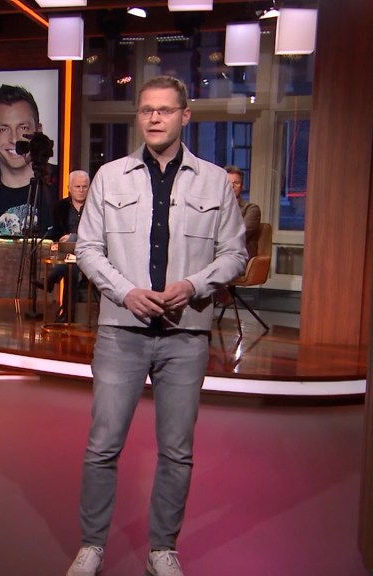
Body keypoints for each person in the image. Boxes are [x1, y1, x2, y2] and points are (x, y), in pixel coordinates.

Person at [68, 76, 247, 576]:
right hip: (121, 332)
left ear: (185, 116)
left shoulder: (214, 181)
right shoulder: (110, 177)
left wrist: (193, 285)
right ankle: (91, 546)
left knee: (177, 451)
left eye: (165, 110)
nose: (154, 118)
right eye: (146, 109)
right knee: (102, 446)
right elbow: (88, 249)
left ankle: (162, 550)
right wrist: (125, 291)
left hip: (185, 336)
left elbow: (235, 254)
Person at [0, 84, 56, 238]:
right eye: (3, 129)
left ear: (39, 131)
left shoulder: (66, 185)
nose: (14, 139)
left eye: (23, 128)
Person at [44, 170, 90, 322]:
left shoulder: (95, 207)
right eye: (77, 186)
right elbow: (56, 233)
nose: (81, 190)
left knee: (73, 247)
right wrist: (63, 238)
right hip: (67, 251)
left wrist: (74, 237)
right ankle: (68, 313)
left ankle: (52, 279)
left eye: (84, 187)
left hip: (90, 251)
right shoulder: (60, 207)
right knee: (71, 265)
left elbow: (99, 233)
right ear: (69, 188)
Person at [224, 165, 261, 258]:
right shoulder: (217, 208)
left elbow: (239, 234)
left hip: (239, 257)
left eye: (236, 183)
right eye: (228, 183)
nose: (232, 186)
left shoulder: (251, 209)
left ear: (241, 186)